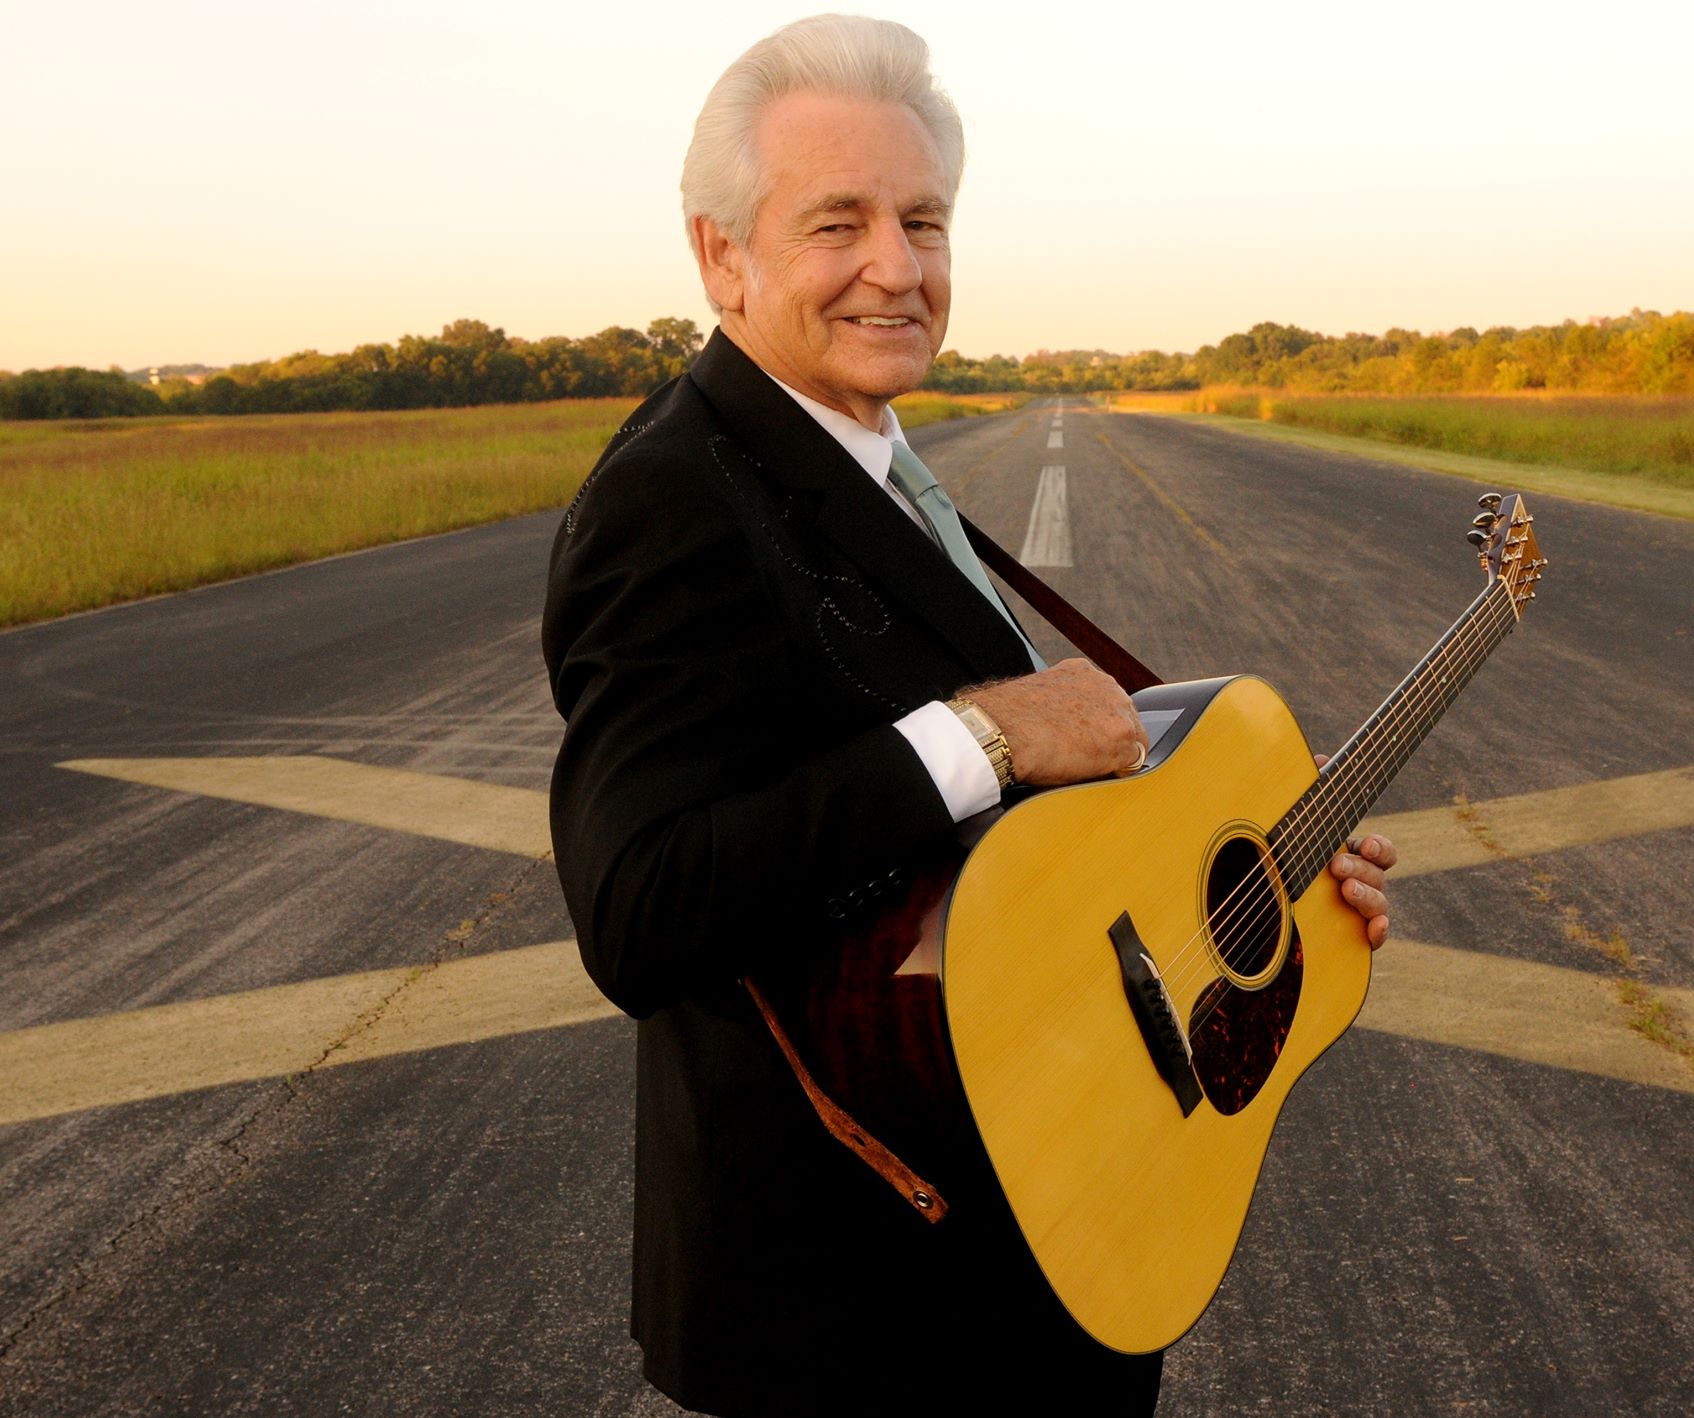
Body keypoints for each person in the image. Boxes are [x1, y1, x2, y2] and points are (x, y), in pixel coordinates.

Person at [541, 16, 1397, 1415]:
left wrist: (1278, 882)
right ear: (721, 255)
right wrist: (986, 732)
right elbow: (638, 905)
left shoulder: (862, 454)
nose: (898, 265)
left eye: (923, 219)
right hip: (860, 1319)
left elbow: (990, 859)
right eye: (840, 222)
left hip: (1032, 1248)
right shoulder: (676, 498)